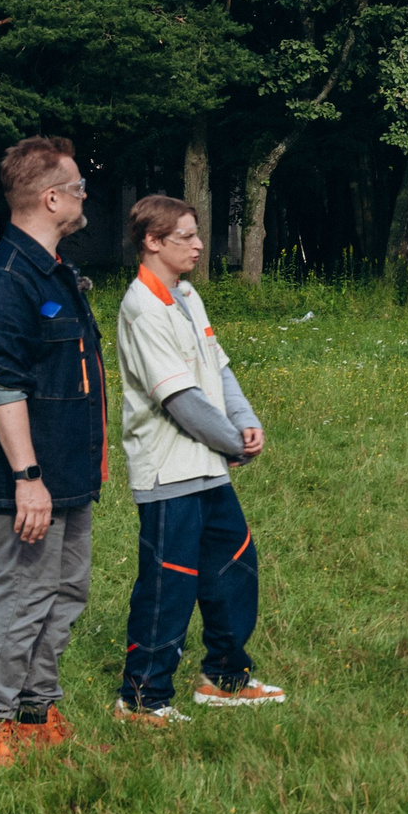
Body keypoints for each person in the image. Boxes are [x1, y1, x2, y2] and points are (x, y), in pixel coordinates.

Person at [0, 135, 104, 768]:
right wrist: (27, 477)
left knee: (65, 590)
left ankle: (36, 708)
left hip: (69, 469)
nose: (83, 196)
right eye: (78, 187)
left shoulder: (57, 271)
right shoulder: (5, 278)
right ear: (51, 197)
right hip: (29, 477)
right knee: (19, 593)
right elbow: (1, 385)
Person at [113, 196, 283, 724]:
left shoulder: (186, 295)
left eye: (196, 234)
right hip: (168, 472)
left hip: (206, 467)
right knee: (169, 584)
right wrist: (234, 443)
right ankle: (142, 701)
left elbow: (219, 369)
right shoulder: (141, 306)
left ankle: (225, 680)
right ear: (152, 242)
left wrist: (245, 419)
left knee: (234, 570)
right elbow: (180, 401)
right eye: (186, 236)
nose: (199, 244)